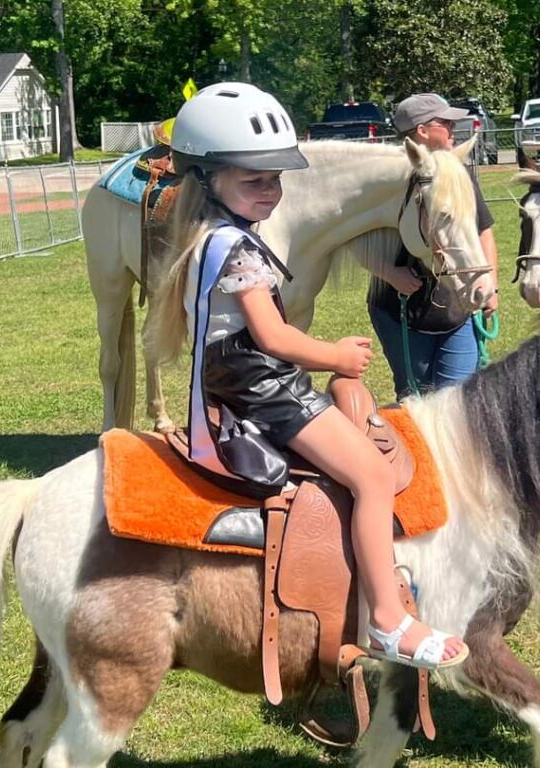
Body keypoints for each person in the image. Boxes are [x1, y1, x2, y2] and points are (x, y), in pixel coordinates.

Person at [149, 82, 469, 670]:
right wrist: (334, 356)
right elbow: (272, 338)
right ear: (206, 179)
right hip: (261, 383)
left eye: (275, 179)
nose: (270, 191)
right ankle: (388, 621)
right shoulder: (238, 250)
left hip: (242, 376)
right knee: (371, 476)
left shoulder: (208, 238)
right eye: (254, 180)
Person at [366, 93, 499, 398]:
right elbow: (357, 240)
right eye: (445, 122)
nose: (453, 127)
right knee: (416, 401)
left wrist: (492, 284)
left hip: (457, 310)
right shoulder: (388, 179)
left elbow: (484, 230)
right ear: (422, 131)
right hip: (399, 312)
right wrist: (389, 273)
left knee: (459, 400)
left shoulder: (457, 173)